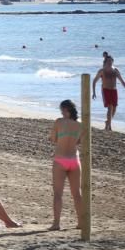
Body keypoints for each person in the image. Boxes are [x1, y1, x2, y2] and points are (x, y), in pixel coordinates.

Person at [49, 99, 83, 231]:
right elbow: (79, 141)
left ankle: (56, 223)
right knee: (77, 194)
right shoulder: (80, 124)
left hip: (60, 159)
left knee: (58, 193)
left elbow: (53, 138)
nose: (61, 112)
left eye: (62, 110)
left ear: (66, 109)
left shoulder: (59, 122)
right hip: (74, 159)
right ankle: (81, 222)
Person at [92, 55, 125, 131]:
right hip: (105, 90)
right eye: (108, 61)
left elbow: (121, 80)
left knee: (114, 108)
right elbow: (94, 81)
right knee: (110, 107)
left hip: (114, 90)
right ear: (105, 62)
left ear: (113, 62)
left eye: (111, 61)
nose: (110, 62)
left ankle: (107, 122)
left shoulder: (115, 70)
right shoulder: (102, 71)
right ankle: (108, 126)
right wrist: (94, 92)